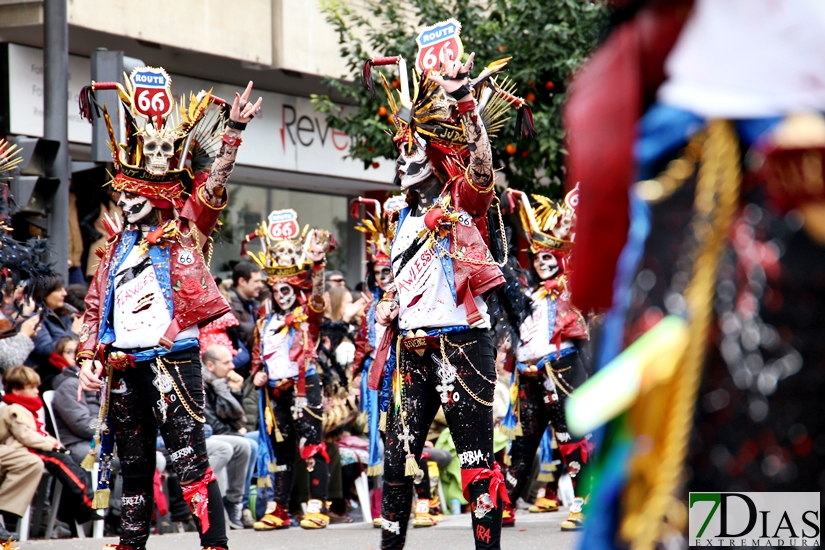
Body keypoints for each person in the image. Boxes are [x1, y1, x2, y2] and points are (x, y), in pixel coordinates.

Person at [76, 70, 263, 550]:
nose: (127, 202)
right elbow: (97, 307)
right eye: (122, 194)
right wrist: (85, 361)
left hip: (172, 361)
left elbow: (214, 188)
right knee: (134, 463)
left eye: (136, 194)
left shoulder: (186, 230)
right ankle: (131, 542)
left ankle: (214, 543)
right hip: (123, 364)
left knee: (189, 459)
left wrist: (233, 135)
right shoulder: (115, 247)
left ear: (156, 194)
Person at [364, 40, 535, 548]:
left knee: (477, 463)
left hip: (463, 345)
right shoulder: (398, 218)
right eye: (400, 146)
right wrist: (389, 303)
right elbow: (401, 280)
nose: (403, 153)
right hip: (412, 350)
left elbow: (483, 168)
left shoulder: (463, 199)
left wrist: (466, 103)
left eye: (412, 145)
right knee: (396, 460)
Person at [499, 189, 591, 530]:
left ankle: (585, 502)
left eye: (548, 256)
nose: (542, 262)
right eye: (537, 257)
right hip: (528, 375)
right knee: (523, 442)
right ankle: (503, 505)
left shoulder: (570, 287)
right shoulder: (529, 292)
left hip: (562, 369)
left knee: (570, 436)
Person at [246, 211, 333, 530]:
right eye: (277, 291)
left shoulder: (307, 316)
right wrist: (257, 372)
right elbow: (259, 355)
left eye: (287, 291)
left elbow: (320, 297)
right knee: (281, 453)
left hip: (303, 389)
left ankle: (317, 505)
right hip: (274, 395)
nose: (281, 297)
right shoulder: (263, 322)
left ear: (296, 292)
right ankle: (280, 508)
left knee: (310, 447)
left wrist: (318, 266)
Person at [0, 366, 96, 526]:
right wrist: (54, 444)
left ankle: (85, 503)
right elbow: (27, 436)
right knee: (62, 461)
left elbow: (38, 433)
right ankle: (84, 503)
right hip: (26, 450)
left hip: (34, 448)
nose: (36, 391)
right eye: (31, 388)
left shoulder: (32, 408)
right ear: (16, 390)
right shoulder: (14, 409)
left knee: (65, 461)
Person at [202, 344, 252, 530]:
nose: (232, 367)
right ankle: (201, 498)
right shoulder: (202, 382)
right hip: (210, 434)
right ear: (210, 365)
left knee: (250, 444)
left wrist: (236, 391)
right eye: (226, 363)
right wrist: (236, 430)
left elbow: (241, 419)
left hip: (223, 433)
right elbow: (212, 424)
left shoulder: (221, 382)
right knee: (241, 445)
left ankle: (235, 502)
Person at [29, 275, 81, 390]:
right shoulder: (35, 318)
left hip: (68, 372)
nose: (64, 294)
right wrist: (73, 333)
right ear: (44, 293)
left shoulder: (66, 314)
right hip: (47, 378)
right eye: (58, 290)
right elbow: (47, 350)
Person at [228, 261, 263, 363]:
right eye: (256, 281)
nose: (260, 285)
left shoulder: (255, 304)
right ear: (242, 281)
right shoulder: (228, 309)